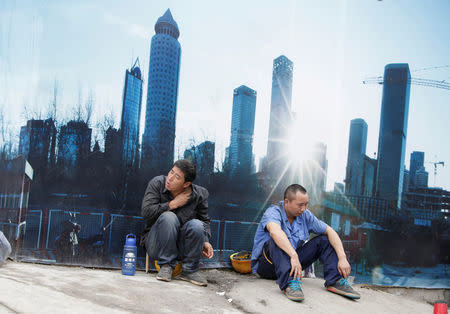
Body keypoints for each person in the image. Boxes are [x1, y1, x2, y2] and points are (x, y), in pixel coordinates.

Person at [251, 184, 360, 301]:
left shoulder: (305, 215)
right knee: (275, 240)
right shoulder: (273, 212)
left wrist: (342, 257)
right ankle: (289, 283)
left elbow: (330, 231)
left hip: (292, 265)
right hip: (268, 266)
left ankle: (335, 280)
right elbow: (275, 232)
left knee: (324, 239)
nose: (303, 209)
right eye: (300, 205)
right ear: (287, 202)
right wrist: (293, 255)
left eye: (306, 204)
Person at [141, 159, 214, 286]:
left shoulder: (200, 195)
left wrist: (206, 240)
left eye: (177, 177)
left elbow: (205, 220)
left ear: (186, 184)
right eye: (171, 172)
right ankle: (166, 265)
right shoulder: (157, 183)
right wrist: (172, 204)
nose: (170, 178)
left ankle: (190, 270)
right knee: (169, 217)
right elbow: (146, 212)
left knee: (197, 225)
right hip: (156, 244)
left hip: (181, 247)